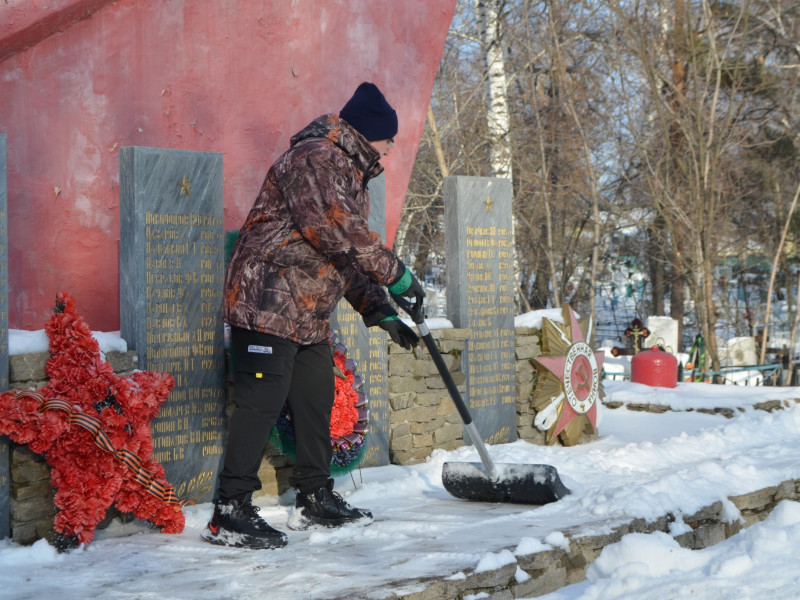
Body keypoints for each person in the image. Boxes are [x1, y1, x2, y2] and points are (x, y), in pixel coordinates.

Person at [202, 82, 425, 550]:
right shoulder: (316, 159)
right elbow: (340, 231)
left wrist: (379, 309)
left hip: (305, 312)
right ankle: (230, 509)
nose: (391, 146)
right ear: (369, 133)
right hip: (267, 299)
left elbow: (339, 254)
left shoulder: (348, 172)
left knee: (316, 395)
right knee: (262, 399)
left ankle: (314, 496)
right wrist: (398, 276)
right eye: (389, 137)